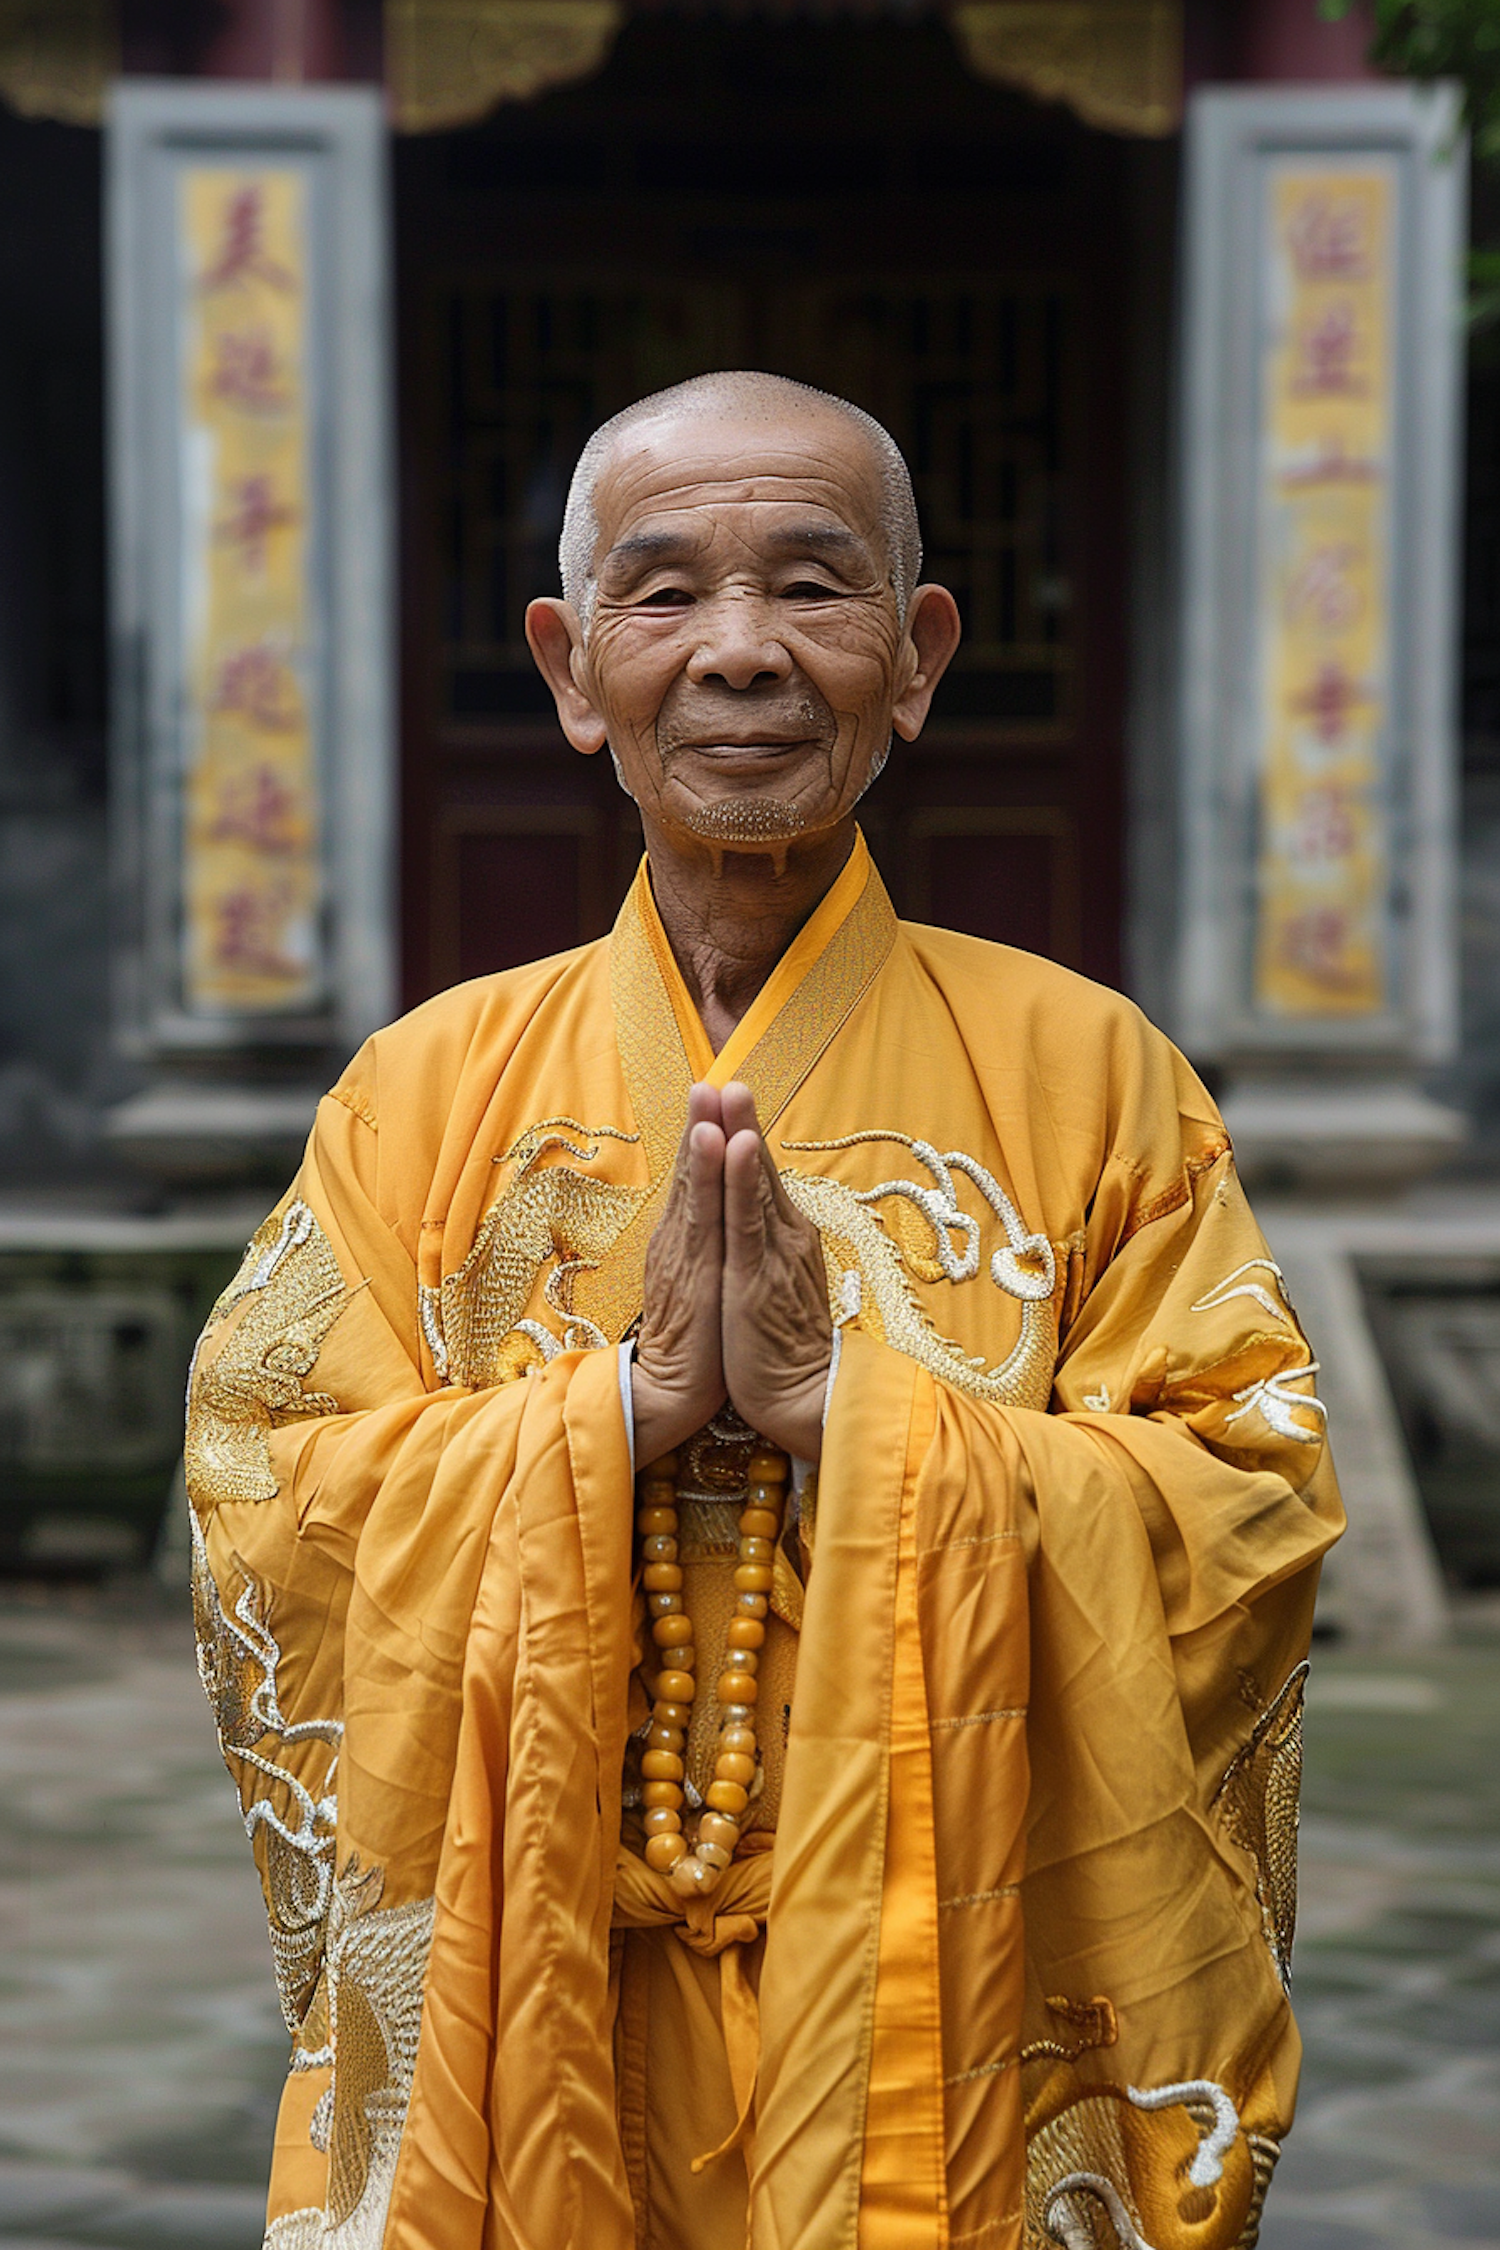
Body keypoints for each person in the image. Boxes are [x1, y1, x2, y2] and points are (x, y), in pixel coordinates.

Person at [185, 371, 1343, 2250]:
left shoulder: (1092, 1074)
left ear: (918, 654)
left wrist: (849, 1415)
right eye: (665, 595)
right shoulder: (420, 1093)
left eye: (813, 587)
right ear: (573, 672)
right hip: (545, 1993)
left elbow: (1250, 1496)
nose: (740, 655)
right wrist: (616, 1411)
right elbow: (263, 1478)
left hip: (936, 1994)